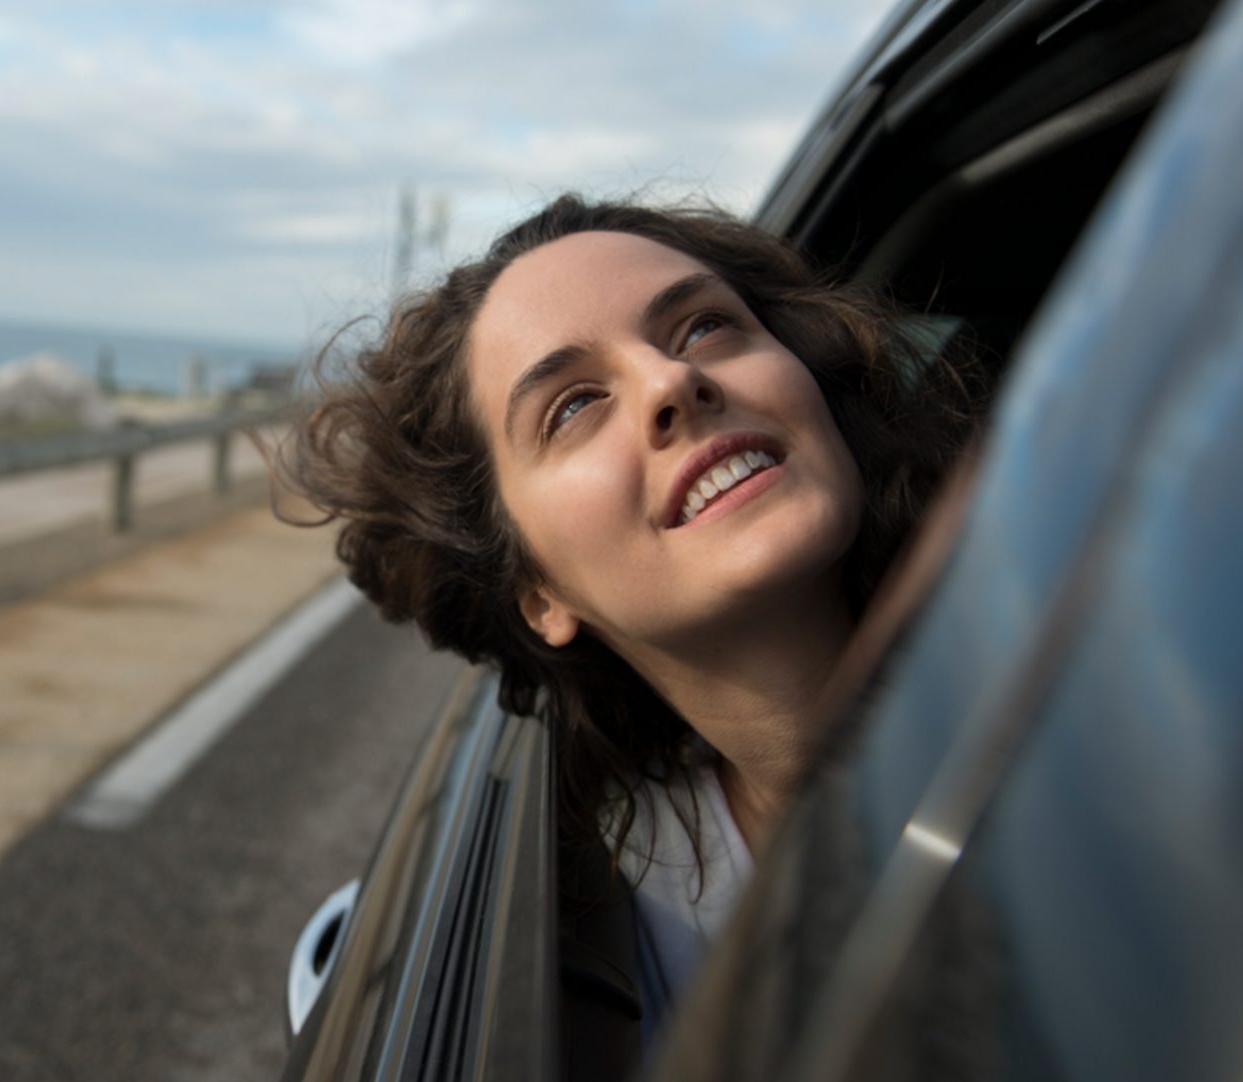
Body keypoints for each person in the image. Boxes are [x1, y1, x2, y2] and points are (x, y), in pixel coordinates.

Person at [279, 194, 982, 1041]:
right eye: (572, 406)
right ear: (538, 593)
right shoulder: (611, 921)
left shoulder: (1120, 659)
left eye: (704, 329)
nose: (672, 381)